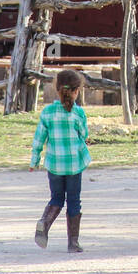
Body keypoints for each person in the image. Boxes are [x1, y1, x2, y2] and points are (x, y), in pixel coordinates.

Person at [29, 69, 89, 253]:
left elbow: (39, 138)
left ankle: (44, 223)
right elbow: (84, 134)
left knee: (56, 198)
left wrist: (34, 159)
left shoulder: (47, 112)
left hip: (54, 165)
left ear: (57, 89)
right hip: (74, 165)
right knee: (74, 201)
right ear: (77, 91)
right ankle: (73, 243)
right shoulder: (78, 113)